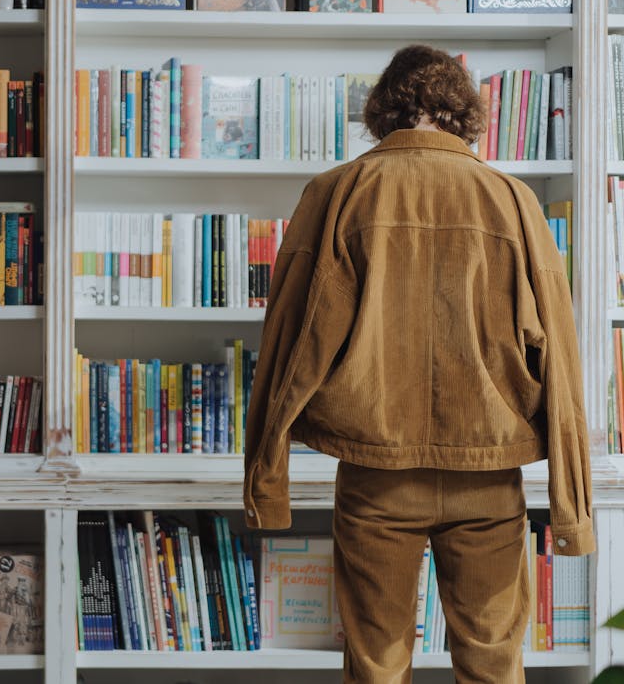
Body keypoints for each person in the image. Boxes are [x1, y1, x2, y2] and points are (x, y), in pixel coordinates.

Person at [243, 45, 594, 683]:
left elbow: (289, 344)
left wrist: (267, 481)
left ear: (384, 112)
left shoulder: (337, 192)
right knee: (492, 664)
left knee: (376, 665)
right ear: (463, 114)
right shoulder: (513, 200)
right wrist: (573, 512)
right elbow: (561, 359)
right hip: (488, 474)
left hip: (376, 472)